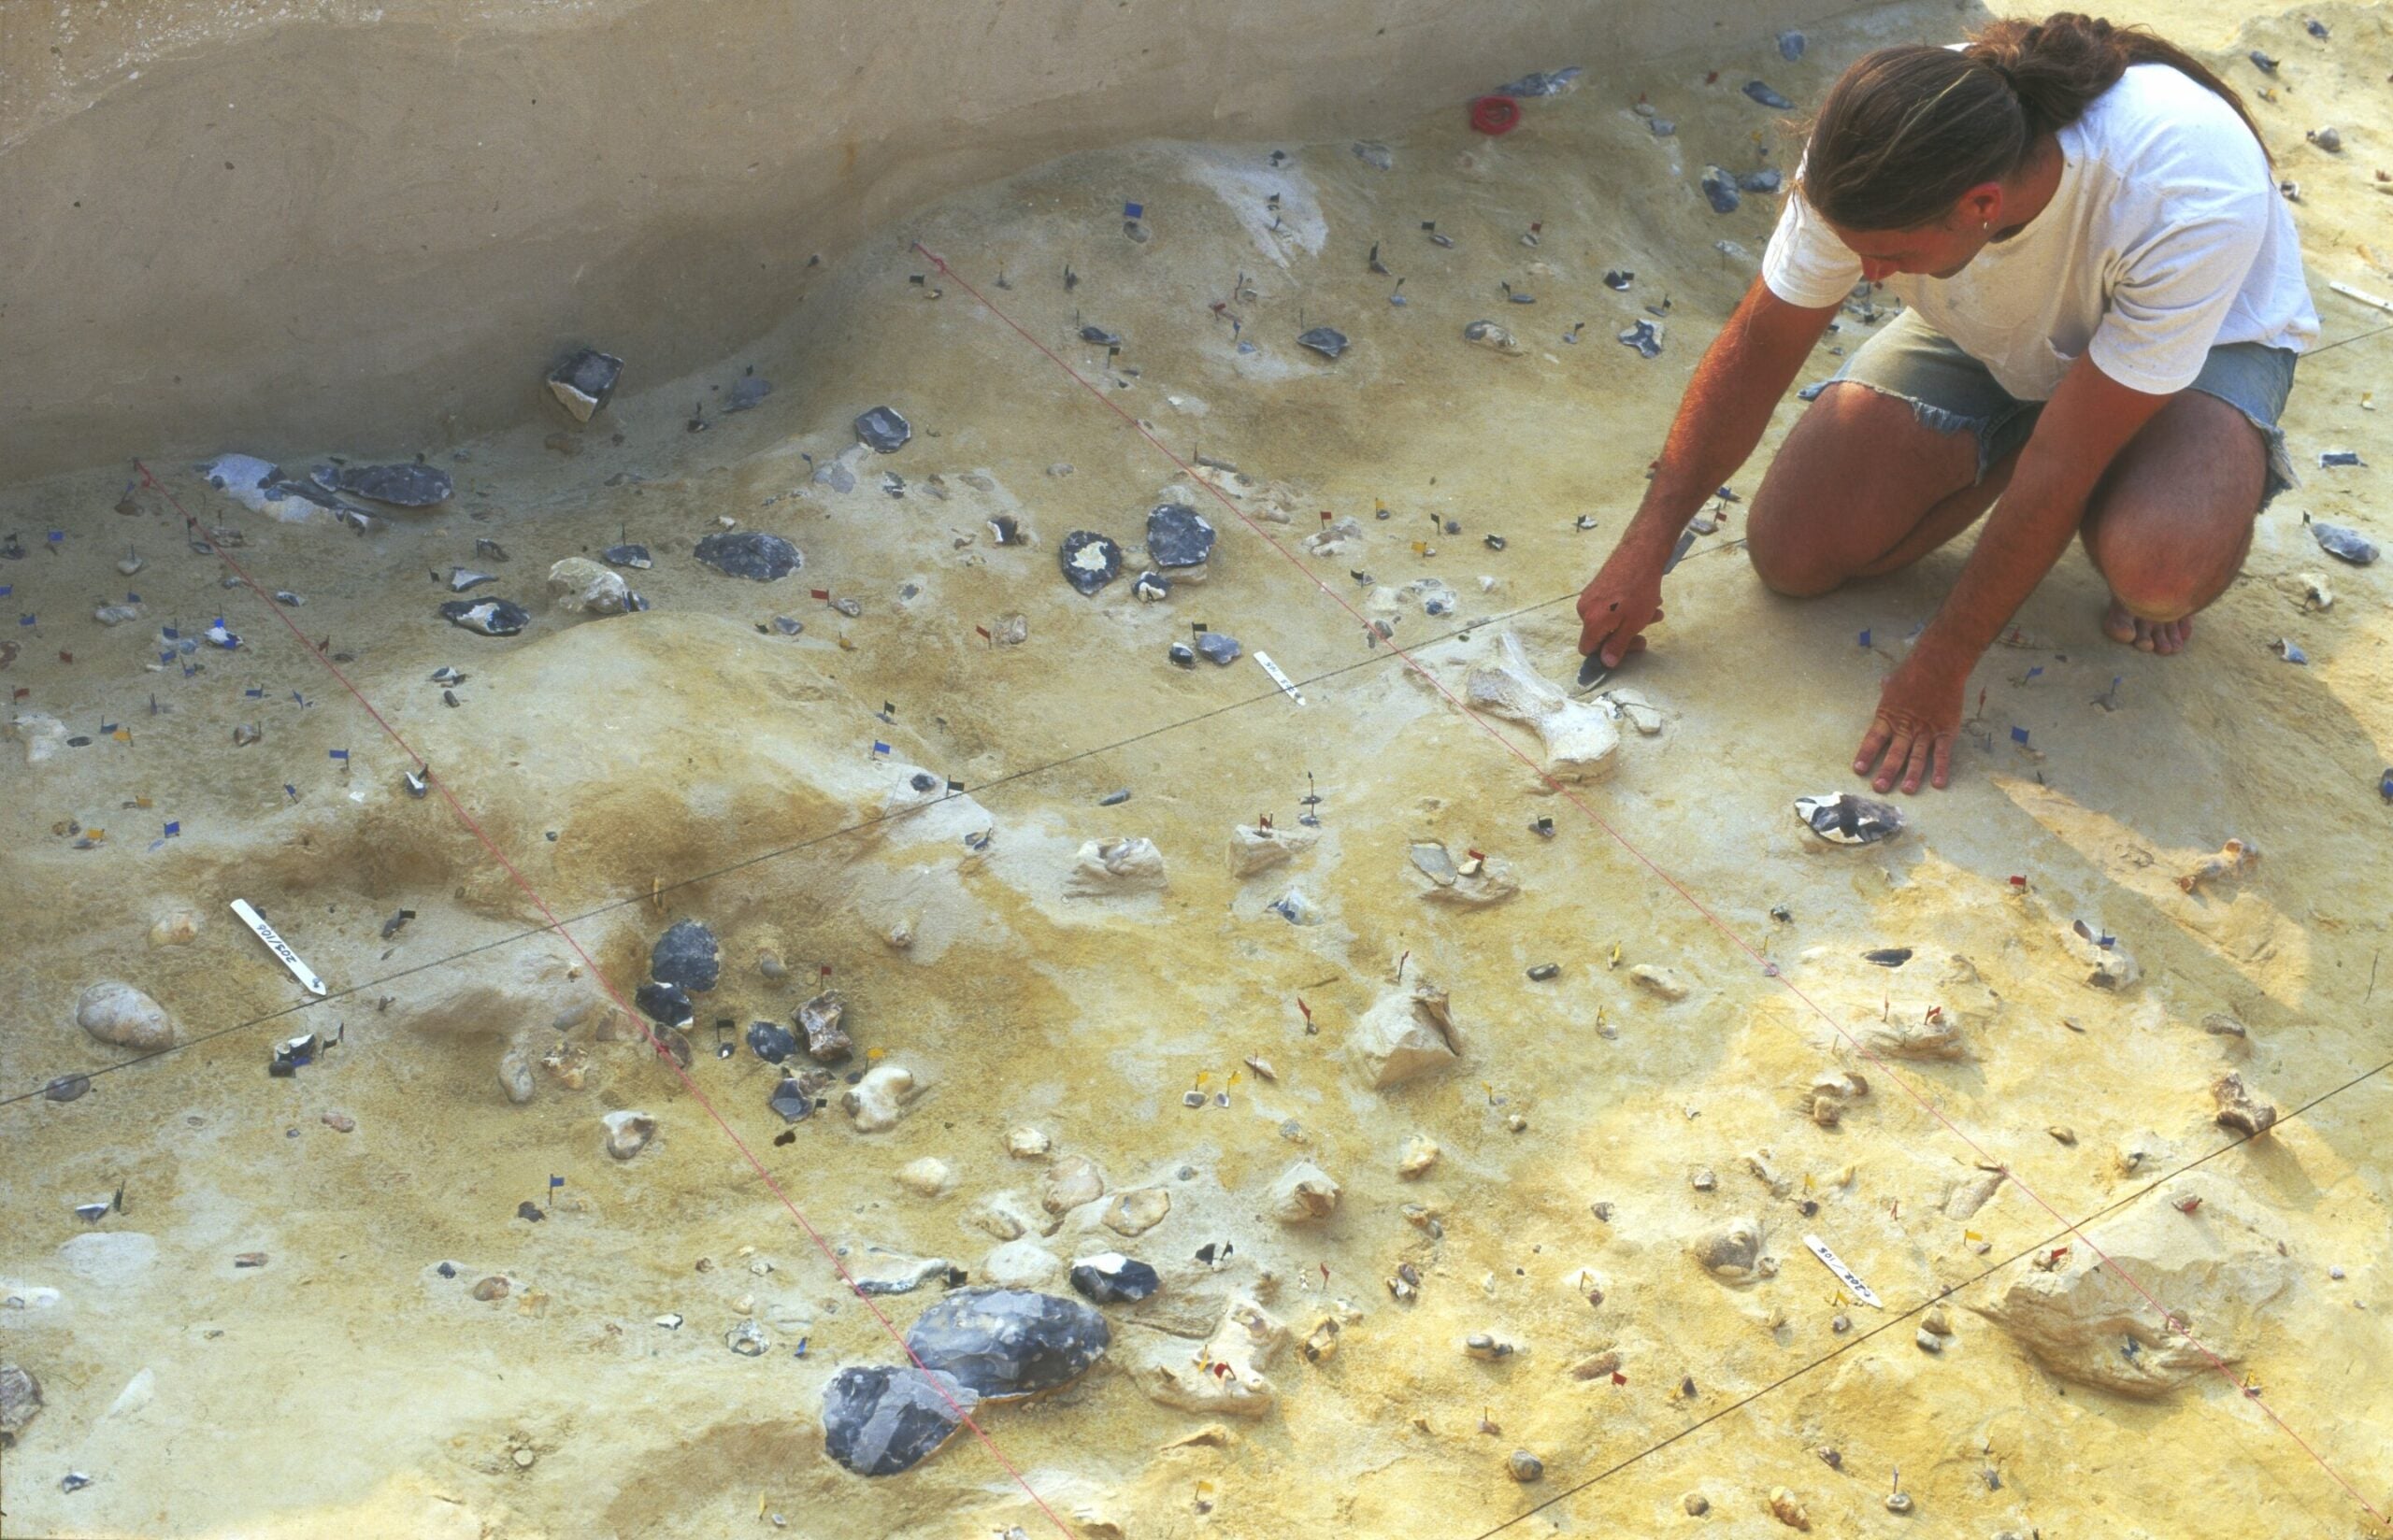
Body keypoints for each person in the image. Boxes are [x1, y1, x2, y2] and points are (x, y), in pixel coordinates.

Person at [1573, 13, 2314, 794]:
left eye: (1891, 256)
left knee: (2157, 570)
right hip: (2003, 329)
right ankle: (2026, 428)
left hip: (2211, 340)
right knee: (1793, 554)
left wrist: (1942, 663)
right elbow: (1760, 347)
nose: (1866, 273)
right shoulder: (1871, 146)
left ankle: (2144, 468)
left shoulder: (2186, 193)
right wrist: (1647, 539)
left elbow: (2063, 463)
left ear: (1982, 206)